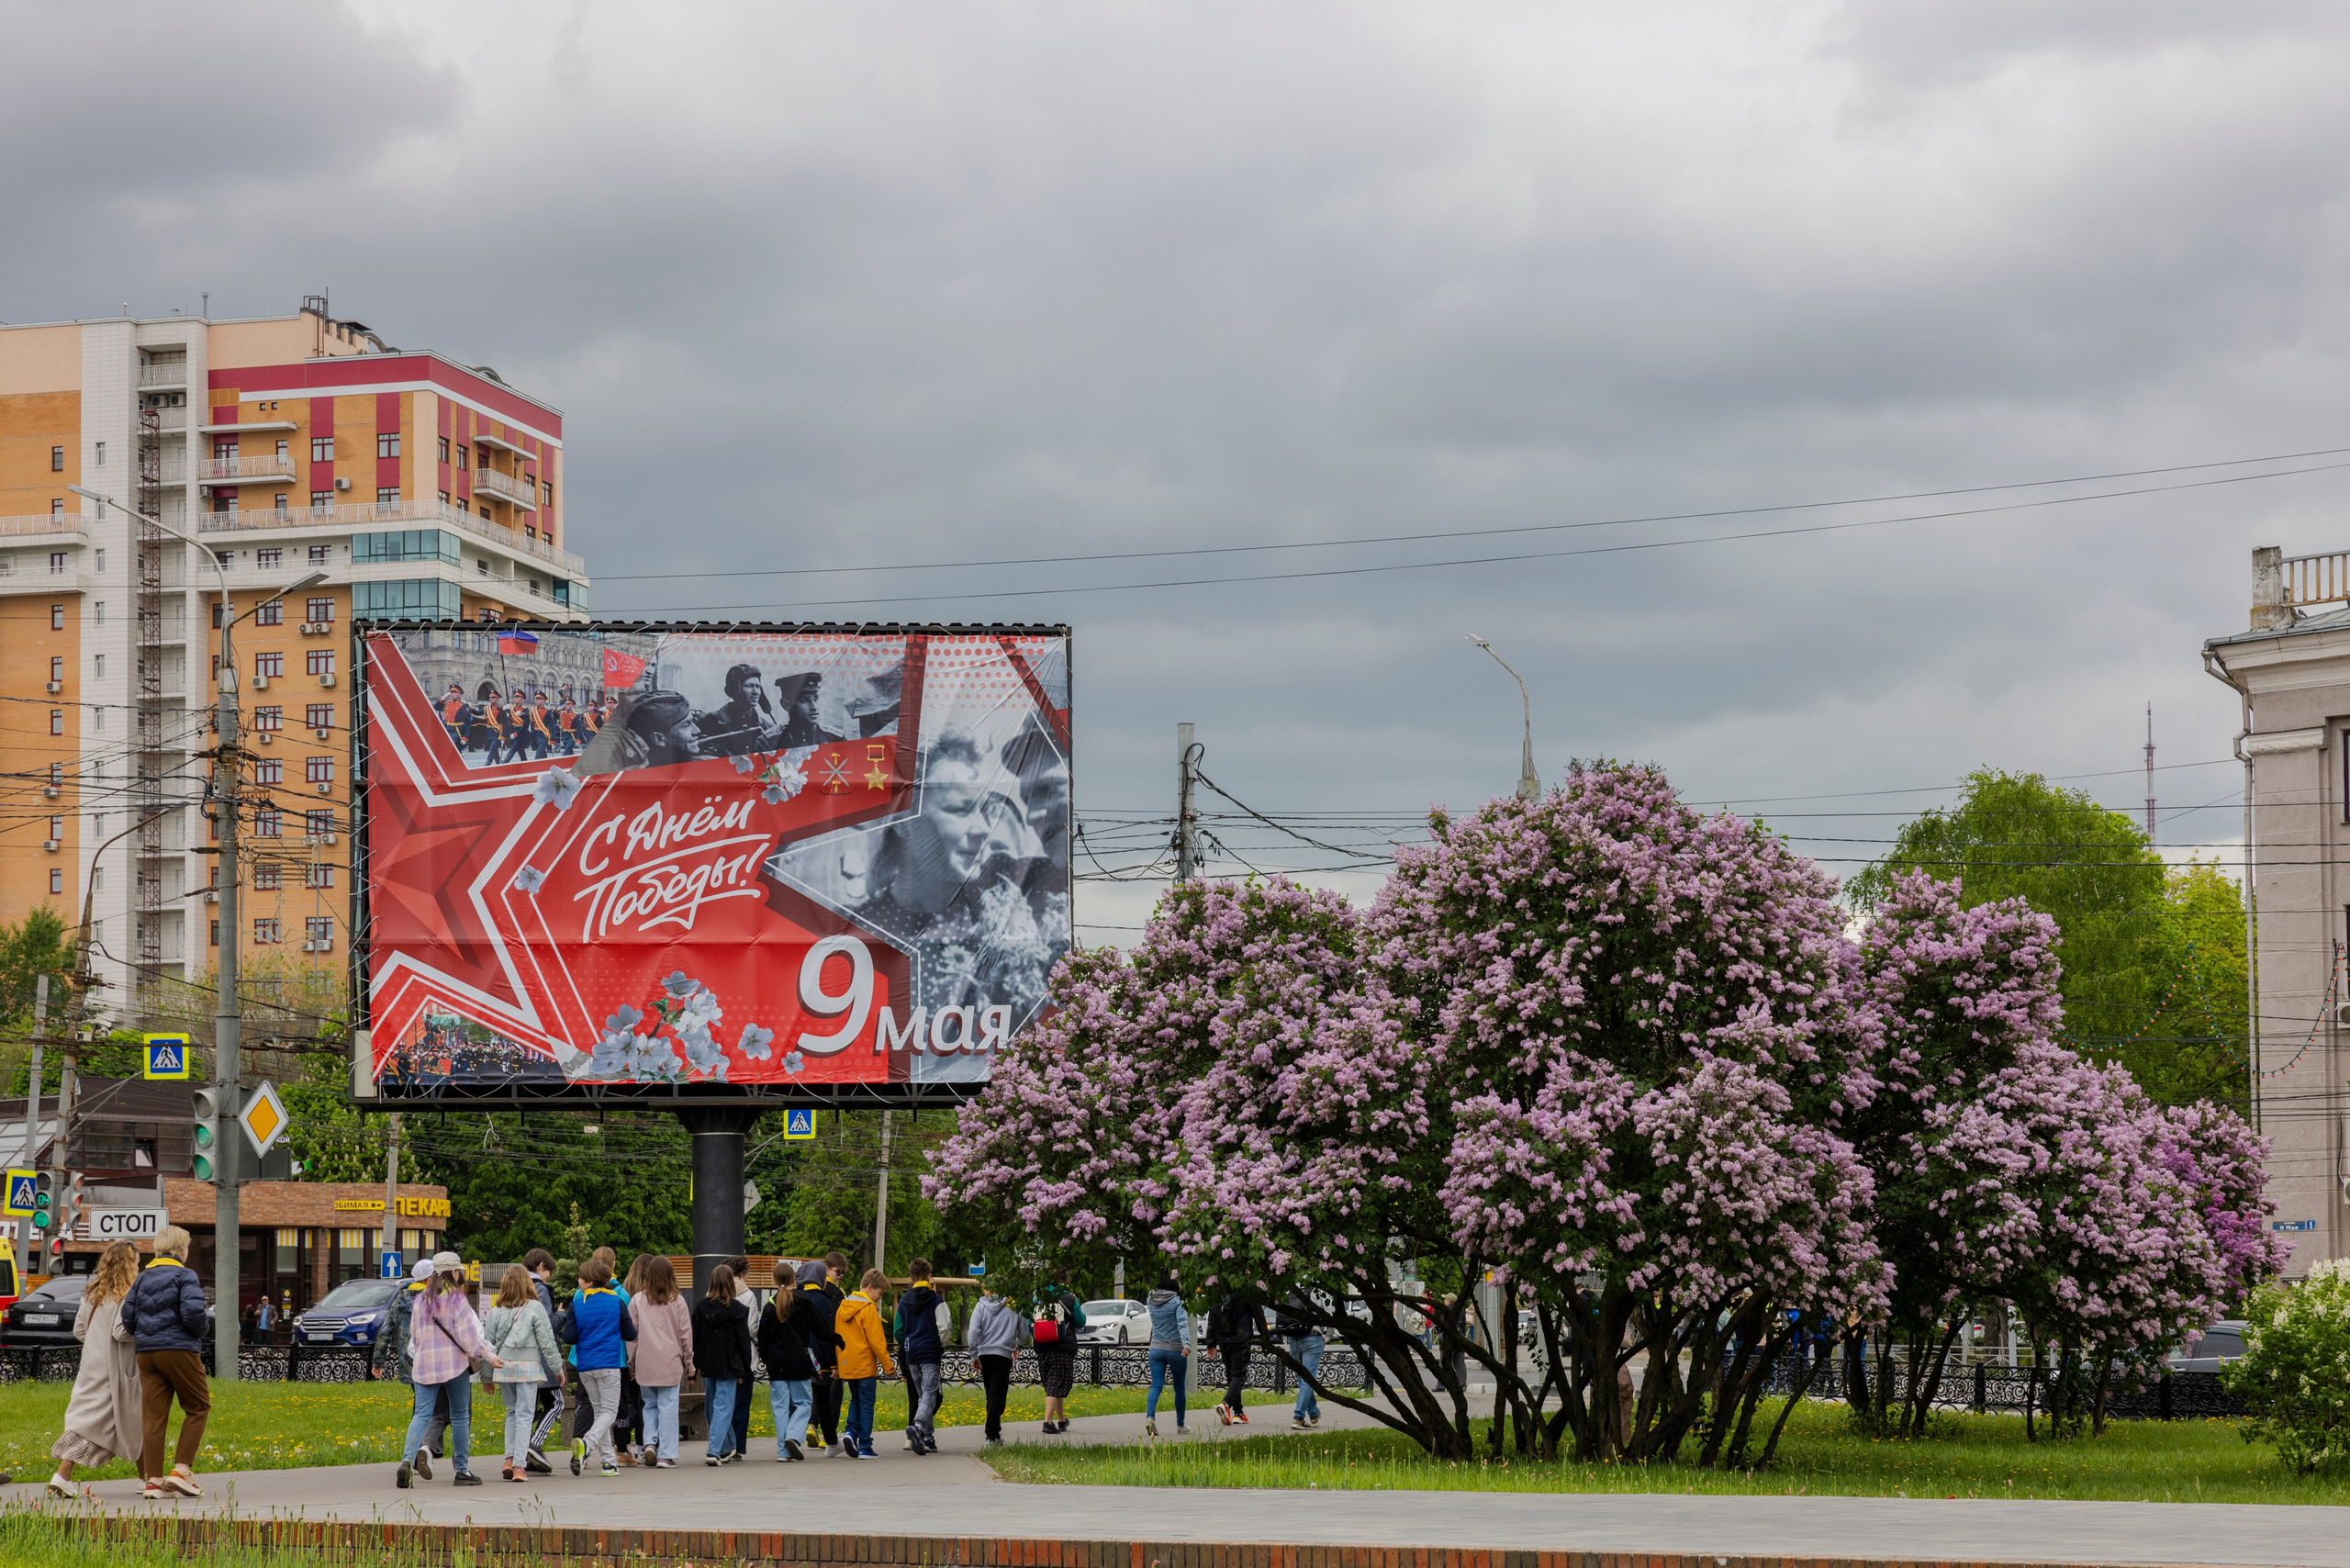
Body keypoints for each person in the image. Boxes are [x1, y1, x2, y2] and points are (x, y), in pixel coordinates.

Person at [398, 1252, 502, 1489]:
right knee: (460, 1416)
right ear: (454, 1272)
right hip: (454, 1367)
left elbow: (414, 1337)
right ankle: (462, 1471)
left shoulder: (421, 1300)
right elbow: (469, 1339)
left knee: (421, 1414)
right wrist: (490, 1357)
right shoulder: (457, 1299)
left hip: (424, 1366)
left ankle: (406, 1461)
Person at [48, 1240, 141, 1499]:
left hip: (91, 1363)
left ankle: (147, 1477)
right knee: (122, 1418)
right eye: (136, 1262)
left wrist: (96, 1339)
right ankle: (63, 1474)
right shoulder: (126, 1295)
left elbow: (79, 1330)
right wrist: (145, 1332)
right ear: (127, 1265)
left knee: (94, 1417)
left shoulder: (93, 1292)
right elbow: (121, 1332)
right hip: (116, 1367)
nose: (139, 1267)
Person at [126, 1224, 210, 1500]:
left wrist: (146, 1333)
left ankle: (153, 1482)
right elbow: (194, 1315)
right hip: (178, 1349)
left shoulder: (142, 1277)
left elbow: (127, 1318)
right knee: (198, 1406)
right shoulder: (186, 1275)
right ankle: (182, 1471)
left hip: (146, 1353)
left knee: (153, 1417)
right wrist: (203, 1331)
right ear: (181, 1250)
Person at [484, 1264, 561, 1484]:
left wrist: (487, 1376)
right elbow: (547, 1342)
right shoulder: (536, 1307)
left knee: (511, 1412)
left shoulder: (496, 1311)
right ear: (528, 1284)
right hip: (528, 1367)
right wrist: (557, 1369)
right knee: (525, 1415)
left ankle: (508, 1459)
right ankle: (520, 1466)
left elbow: (488, 1345)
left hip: (503, 1367)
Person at [567, 1256, 635, 1476]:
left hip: (585, 1366)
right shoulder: (617, 1301)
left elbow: (569, 1336)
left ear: (589, 1281)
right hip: (609, 1363)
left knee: (600, 1412)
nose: (578, 1281)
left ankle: (609, 1463)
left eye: (580, 1278)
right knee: (610, 1412)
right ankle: (587, 1444)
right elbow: (630, 1334)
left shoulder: (577, 1303)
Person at [627, 1256, 693, 1470]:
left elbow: (632, 1336)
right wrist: (689, 1363)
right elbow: (685, 1335)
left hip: (645, 1361)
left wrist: (631, 1363)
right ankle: (666, 1454)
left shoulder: (637, 1300)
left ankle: (648, 1444)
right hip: (670, 1362)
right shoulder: (678, 1301)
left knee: (650, 1405)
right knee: (668, 1408)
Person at [691, 1264, 754, 1464]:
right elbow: (743, 1342)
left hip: (708, 1363)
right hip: (730, 1363)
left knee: (712, 1408)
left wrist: (694, 1365)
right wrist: (745, 1369)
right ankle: (714, 1451)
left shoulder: (701, 1307)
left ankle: (726, 1447)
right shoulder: (738, 1310)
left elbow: (695, 1338)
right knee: (723, 1407)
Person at [758, 1260, 819, 1461]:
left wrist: (766, 1360)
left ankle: (783, 1452)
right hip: (799, 1362)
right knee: (803, 1402)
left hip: (776, 1364)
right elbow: (820, 1328)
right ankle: (793, 1436)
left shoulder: (769, 1307)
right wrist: (835, 1339)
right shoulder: (803, 1303)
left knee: (780, 1408)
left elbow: (763, 1339)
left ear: (775, 1280)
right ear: (794, 1279)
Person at [834, 1269, 895, 1460]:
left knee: (855, 1399)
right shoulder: (868, 1309)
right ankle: (865, 1446)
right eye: (880, 1293)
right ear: (870, 1287)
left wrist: (839, 1364)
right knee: (867, 1403)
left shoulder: (843, 1306)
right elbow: (877, 1343)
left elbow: (837, 1338)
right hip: (865, 1364)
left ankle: (851, 1432)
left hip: (848, 1363)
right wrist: (889, 1367)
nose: (879, 1298)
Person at [965, 1282, 1027, 1446]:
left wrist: (974, 1355)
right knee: (997, 1395)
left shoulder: (980, 1306)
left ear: (990, 1289)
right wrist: (1018, 1344)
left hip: (984, 1355)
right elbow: (1024, 1331)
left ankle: (994, 1434)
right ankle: (991, 1435)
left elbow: (973, 1332)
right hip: (1003, 1355)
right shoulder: (1013, 1305)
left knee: (991, 1394)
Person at [895, 1259, 946, 1455]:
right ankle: (916, 1427)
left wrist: (907, 1344)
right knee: (930, 1394)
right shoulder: (936, 1301)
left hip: (912, 1353)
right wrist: (940, 1345)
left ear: (910, 1278)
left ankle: (928, 1438)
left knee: (924, 1396)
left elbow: (898, 1330)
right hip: (930, 1352)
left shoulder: (903, 1301)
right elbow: (944, 1328)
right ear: (929, 1276)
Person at [521, 1248, 565, 1473]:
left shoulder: (516, 1286)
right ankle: (534, 1445)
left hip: (521, 1358)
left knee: (526, 1409)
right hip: (543, 1359)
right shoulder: (539, 1288)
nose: (549, 1277)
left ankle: (522, 1456)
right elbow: (546, 1325)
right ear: (541, 1266)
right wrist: (561, 1314)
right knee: (557, 1403)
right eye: (549, 1272)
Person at [807, 1252, 850, 1451]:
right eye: (838, 1272)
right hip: (829, 1346)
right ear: (827, 1270)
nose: (841, 1276)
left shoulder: (812, 1291)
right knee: (834, 1390)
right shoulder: (835, 1294)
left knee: (819, 1387)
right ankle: (828, 1433)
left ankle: (812, 1424)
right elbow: (834, 1324)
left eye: (843, 1273)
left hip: (811, 1347)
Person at [1031, 1284, 1084, 1434]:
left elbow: (1030, 1322)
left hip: (1042, 1347)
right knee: (1056, 1384)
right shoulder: (1070, 1299)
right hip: (1062, 1348)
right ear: (1065, 1280)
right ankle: (1047, 1422)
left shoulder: (1038, 1299)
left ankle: (1061, 1421)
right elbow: (1081, 1321)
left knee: (1054, 1384)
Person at [1207, 1290, 1264, 1427]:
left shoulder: (1219, 1290)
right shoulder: (1247, 1291)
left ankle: (1238, 1413)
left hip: (1223, 1339)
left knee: (1232, 1376)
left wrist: (1211, 1342)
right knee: (1239, 1375)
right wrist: (1265, 1337)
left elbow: (1212, 1317)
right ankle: (1225, 1404)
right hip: (1241, 1339)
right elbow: (1259, 1316)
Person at [1144, 1275, 1192, 1439]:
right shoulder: (1178, 1301)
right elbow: (1182, 1324)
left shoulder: (1151, 1299)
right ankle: (1180, 1425)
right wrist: (1187, 1344)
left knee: (1156, 1386)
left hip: (1156, 1348)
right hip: (1175, 1349)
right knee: (1179, 1388)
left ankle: (1150, 1417)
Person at [1275, 1291, 1324, 1431]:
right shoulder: (1317, 1290)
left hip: (1293, 1338)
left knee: (1303, 1379)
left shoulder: (1290, 1289)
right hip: (1312, 1337)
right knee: (1308, 1380)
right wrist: (1328, 1336)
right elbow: (1328, 1313)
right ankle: (1299, 1418)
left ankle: (1313, 1414)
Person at [724, 1255, 755, 1461]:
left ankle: (723, 1444)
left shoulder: (712, 1293)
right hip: (743, 1355)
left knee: (722, 1404)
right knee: (741, 1405)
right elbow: (752, 1328)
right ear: (743, 1273)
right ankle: (738, 1447)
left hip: (720, 1355)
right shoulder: (748, 1294)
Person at [772, 672, 842, 748]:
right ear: (786, 705)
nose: (814, 707)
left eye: (816, 699)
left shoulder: (836, 739)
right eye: (804, 700)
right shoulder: (771, 742)